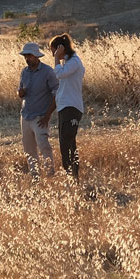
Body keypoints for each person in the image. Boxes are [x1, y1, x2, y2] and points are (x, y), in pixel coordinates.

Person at [17, 41, 58, 176]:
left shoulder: (48, 72)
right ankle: (35, 176)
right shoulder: (24, 72)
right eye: (25, 56)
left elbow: (56, 94)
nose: (27, 59)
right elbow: (20, 92)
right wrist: (20, 93)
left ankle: (50, 174)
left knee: (44, 146)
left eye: (29, 56)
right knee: (29, 149)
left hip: (40, 116)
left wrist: (47, 115)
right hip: (26, 115)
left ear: (36, 56)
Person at [49, 33, 85, 179]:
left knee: (67, 144)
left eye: (53, 50)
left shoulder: (74, 62)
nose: (52, 54)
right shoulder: (68, 63)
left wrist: (56, 58)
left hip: (71, 107)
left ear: (60, 48)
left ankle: (73, 175)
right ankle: (72, 176)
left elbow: (59, 74)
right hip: (65, 107)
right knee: (68, 144)